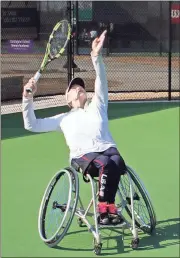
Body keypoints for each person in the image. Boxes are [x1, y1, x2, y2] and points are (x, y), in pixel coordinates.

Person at [22, 30, 127, 225]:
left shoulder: (98, 105)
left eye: (81, 87)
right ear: (67, 99)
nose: (79, 88)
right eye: (73, 88)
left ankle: (108, 207)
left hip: (108, 149)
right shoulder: (63, 119)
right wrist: (27, 99)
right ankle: (104, 209)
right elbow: (31, 125)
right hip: (85, 157)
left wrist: (96, 56)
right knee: (106, 162)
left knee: (115, 160)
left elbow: (101, 82)